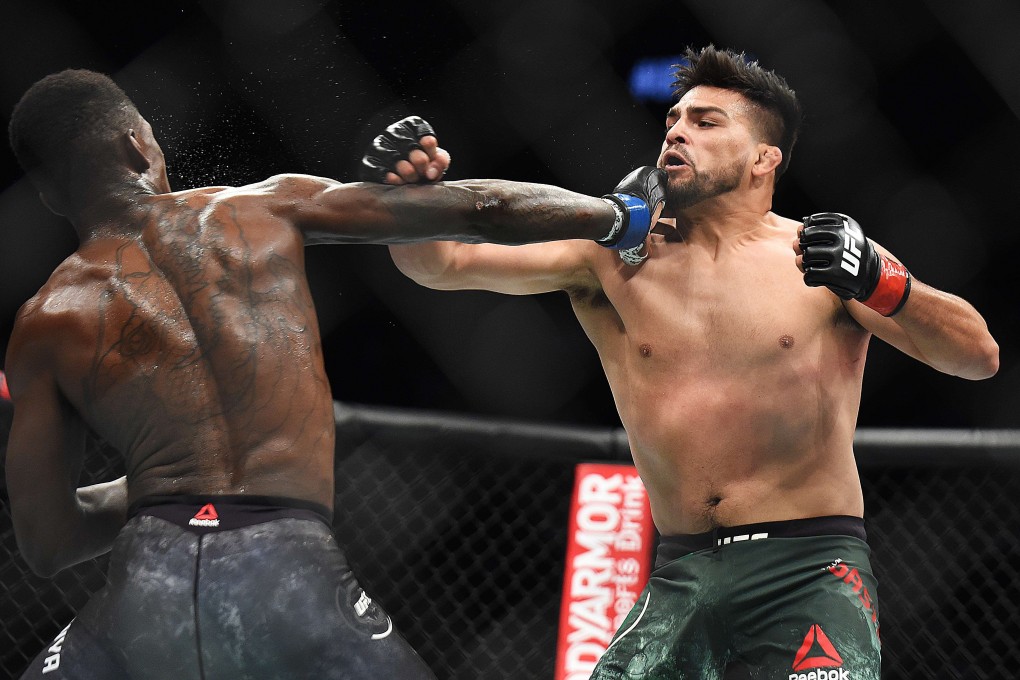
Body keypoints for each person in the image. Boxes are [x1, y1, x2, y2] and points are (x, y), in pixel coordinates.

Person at [3, 69, 666, 679]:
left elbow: (49, 540)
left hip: (146, 586)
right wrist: (619, 217)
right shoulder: (258, 209)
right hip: (284, 569)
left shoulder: (46, 320)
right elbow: (479, 209)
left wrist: (163, 485)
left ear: (49, 192)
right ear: (138, 146)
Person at [371, 46, 1000, 679]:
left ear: (764, 157)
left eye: (706, 121)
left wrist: (882, 283)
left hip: (809, 568)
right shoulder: (615, 253)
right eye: (673, 119)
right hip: (681, 572)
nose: (676, 132)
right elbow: (441, 264)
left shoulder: (820, 258)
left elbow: (978, 357)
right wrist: (408, 200)